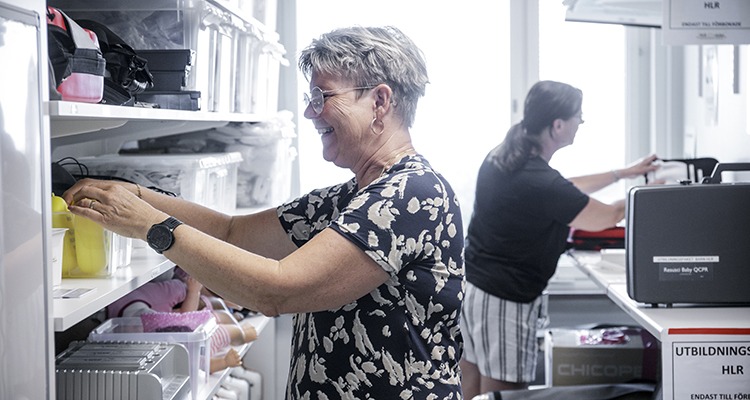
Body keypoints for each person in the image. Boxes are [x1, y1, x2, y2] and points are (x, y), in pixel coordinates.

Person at [62, 25, 465, 399]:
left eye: (322, 97)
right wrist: (135, 193)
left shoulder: (410, 195)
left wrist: (152, 225)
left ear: (379, 101)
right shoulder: (349, 198)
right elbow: (232, 232)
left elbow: (279, 289)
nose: (310, 112)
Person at [459, 80, 660, 397]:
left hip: (477, 292)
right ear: (557, 125)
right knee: (506, 395)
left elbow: (565, 187)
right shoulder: (536, 179)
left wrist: (623, 174)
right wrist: (650, 194)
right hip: (504, 299)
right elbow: (603, 217)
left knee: (473, 388)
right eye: (578, 116)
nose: (581, 123)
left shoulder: (508, 156)